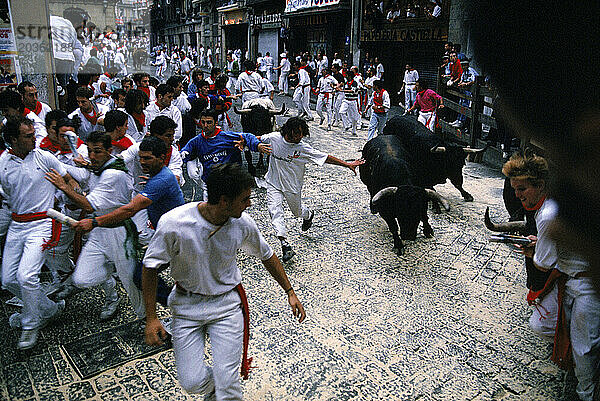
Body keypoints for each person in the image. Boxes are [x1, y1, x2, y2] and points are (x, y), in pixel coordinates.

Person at [142, 162, 306, 399]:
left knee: (228, 383)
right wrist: (151, 317)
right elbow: (150, 267)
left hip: (226, 306)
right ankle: (214, 391)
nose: (249, 204)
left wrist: (290, 291)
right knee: (192, 381)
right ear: (224, 201)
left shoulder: (242, 223)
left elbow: (267, 254)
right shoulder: (174, 224)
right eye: (244, 199)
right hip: (186, 305)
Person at [503, 152, 599, 401]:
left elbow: (544, 265)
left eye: (522, 189)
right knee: (542, 324)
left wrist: (530, 251)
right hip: (571, 275)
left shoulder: (545, 215)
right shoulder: (551, 203)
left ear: (540, 185)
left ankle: (585, 393)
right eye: (514, 189)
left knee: (583, 348)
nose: (517, 195)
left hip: (587, 281)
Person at [45, 131, 145, 321]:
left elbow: (88, 205)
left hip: (119, 232)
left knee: (130, 282)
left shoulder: (114, 174)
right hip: (99, 231)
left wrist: (64, 186)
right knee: (81, 278)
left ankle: (146, 319)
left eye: (97, 151)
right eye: (90, 151)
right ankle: (111, 267)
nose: (91, 156)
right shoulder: (98, 167)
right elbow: (83, 173)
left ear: (109, 151)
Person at [73, 136, 184, 306]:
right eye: (140, 157)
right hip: (168, 235)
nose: (142, 162)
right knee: (146, 274)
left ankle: (176, 306)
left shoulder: (162, 179)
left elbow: (130, 209)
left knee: (142, 275)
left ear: (162, 158)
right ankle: (177, 305)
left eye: (147, 158)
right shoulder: (157, 177)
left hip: (177, 238)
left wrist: (95, 222)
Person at [0, 116, 74, 349]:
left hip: (43, 222)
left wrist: (73, 196)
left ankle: (30, 325)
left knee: (26, 276)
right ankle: (49, 309)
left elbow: (68, 178)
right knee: (8, 279)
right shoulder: (3, 162)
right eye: (28, 136)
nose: (35, 138)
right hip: (17, 224)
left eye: (34, 134)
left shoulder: (44, 157)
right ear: (13, 139)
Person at [255, 117, 363, 261]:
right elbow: (255, 138)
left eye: (302, 133)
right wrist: (249, 143)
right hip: (273, 183)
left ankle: (308, 215)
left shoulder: (303, 148)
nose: (300, 137)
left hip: (292, 186)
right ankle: (284, 244)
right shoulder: (273, 138)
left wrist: (347, 164)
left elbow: (325, 158)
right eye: (297, 133)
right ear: (289, 131)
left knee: (297, 211)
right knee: (275, 211)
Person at [180, 109, 268, 201]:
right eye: (203, 122)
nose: (205, 126)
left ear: (215, 122)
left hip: (230, 185)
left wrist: (257, 145)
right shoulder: (196, 142)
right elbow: (184, 153)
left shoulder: (227, 137)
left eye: (209, 122)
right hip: (211, 187)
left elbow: (248, 136)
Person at [449, 59, 479, 128]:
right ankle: (458, 119)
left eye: (464, 65)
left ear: (467, 65)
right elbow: (462, 79)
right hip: (464, 90)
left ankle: (462, 121)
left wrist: (465, 84)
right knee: (461, 104)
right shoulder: (464, 72)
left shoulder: (470, 71)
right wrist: (460, 83)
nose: (463, 66)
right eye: (462, 65)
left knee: (465, 106)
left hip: (471, 92)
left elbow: (473, 80)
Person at [339, 70, 362, 135]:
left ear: (349, 76)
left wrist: (342, 90)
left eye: (346, 75)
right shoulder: (346, 83)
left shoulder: (354, 83)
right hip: (346, 100)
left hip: (353, 101)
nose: (345, 76)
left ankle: (354, 130)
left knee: (354, 118)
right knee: (341, 112)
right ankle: (347, 125)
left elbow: (352, 91)